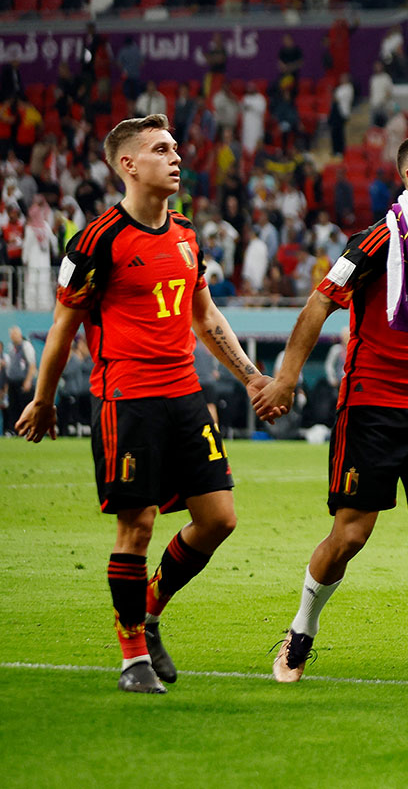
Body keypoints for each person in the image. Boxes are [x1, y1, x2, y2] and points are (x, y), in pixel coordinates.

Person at [16, 114, 274, 694]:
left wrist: (253, 376)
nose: (176, 157)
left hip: (185, 395)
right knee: (138, 525)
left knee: (219, 519)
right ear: (128, 164)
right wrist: (45, 398)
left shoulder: (185, 235)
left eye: (176, 148)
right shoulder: (96, 239)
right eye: (161, 149)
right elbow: (63, 327)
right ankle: (132, 657)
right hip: (126, 398)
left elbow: (204, 318)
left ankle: (150, 608)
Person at [256, 131, 408, 690]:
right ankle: (301, 630)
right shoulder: (377, 241)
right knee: (351, 535)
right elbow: (321, 299)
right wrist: (288, 377)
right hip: (373, 407)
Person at [4, 324, 38, 433]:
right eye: (11, 334)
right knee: (13, 407)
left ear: (19, 334)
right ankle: (14, 430)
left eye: (14, 334)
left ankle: (26, 429)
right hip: (12, 382)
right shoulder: (11, 348)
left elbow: (32, 365)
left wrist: (28, 381)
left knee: (24, 406)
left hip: (22, 381)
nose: (13, 336)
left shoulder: (26, 346)